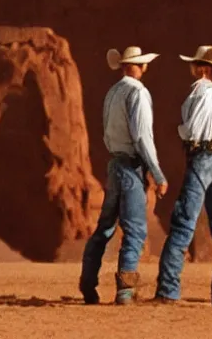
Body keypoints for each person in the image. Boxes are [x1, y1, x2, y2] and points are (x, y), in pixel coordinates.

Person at [79, 46, 169, 305]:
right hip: (131, 166)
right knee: (135, 229)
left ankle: (87, 283)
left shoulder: (112, 93)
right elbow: (142, 137)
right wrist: (157, 174)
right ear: (142, 66)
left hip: (114, 165)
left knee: (104, 227)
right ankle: (126, 290)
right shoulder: (138, 93)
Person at [154, 45, 212, 306]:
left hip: (203, 158)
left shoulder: (197, 93)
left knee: (183, 221)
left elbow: (189, 130)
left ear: (199, 68)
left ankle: (168, 290)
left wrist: (179, 130)